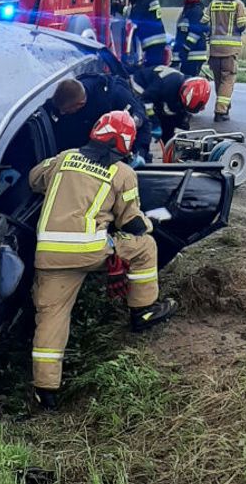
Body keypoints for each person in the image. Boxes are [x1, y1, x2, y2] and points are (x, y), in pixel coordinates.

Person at [28, 111, 178, 410]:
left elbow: (34, 179)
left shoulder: (64, 159)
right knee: (145, 246)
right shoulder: (122, 172)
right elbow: (131, 221)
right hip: (91, 249)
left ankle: (45, 392)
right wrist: (150, 224)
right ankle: (142, 312)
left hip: (49, 254)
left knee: (52, 318)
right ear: (126, 144)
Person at [42, 77, 152, 163]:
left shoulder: (114, 96)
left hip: (118, 153)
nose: (62, 113)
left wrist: (140, 153)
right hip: (85, 152)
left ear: (80, 104)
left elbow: (142, 124)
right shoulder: (64, 97)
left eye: (66, 111)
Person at [202, 0, 246, 121]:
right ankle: (220, 111)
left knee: (219, 81)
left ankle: (224, 107)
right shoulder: (238, 4)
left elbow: (203, 22)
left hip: (214, 51)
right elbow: (241, 26)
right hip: (230, 51)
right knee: (227, 81)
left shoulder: (213, 4)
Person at [130, 65, 211, 148]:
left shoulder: (187, 85)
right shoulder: (167, 86)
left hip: (158, 89)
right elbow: (146, 101)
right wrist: (154, 123)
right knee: (145, 121)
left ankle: (170, 148)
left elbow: (180, 108)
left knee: (170, 120)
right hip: (140, 86)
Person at [128, 0, 170, 67]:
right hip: (157, 41)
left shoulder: (144, 0)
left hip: (153, 42)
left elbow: (133, 17)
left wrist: (120, 6)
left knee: (152, 70)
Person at [172, 0, 209, 76]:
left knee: (189, 83)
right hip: (187, 56)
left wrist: (185, 48)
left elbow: (195, 33)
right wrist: (175, 59)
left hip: (194, 55)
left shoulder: (196, 12)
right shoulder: (188, 11)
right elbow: (181, 35)